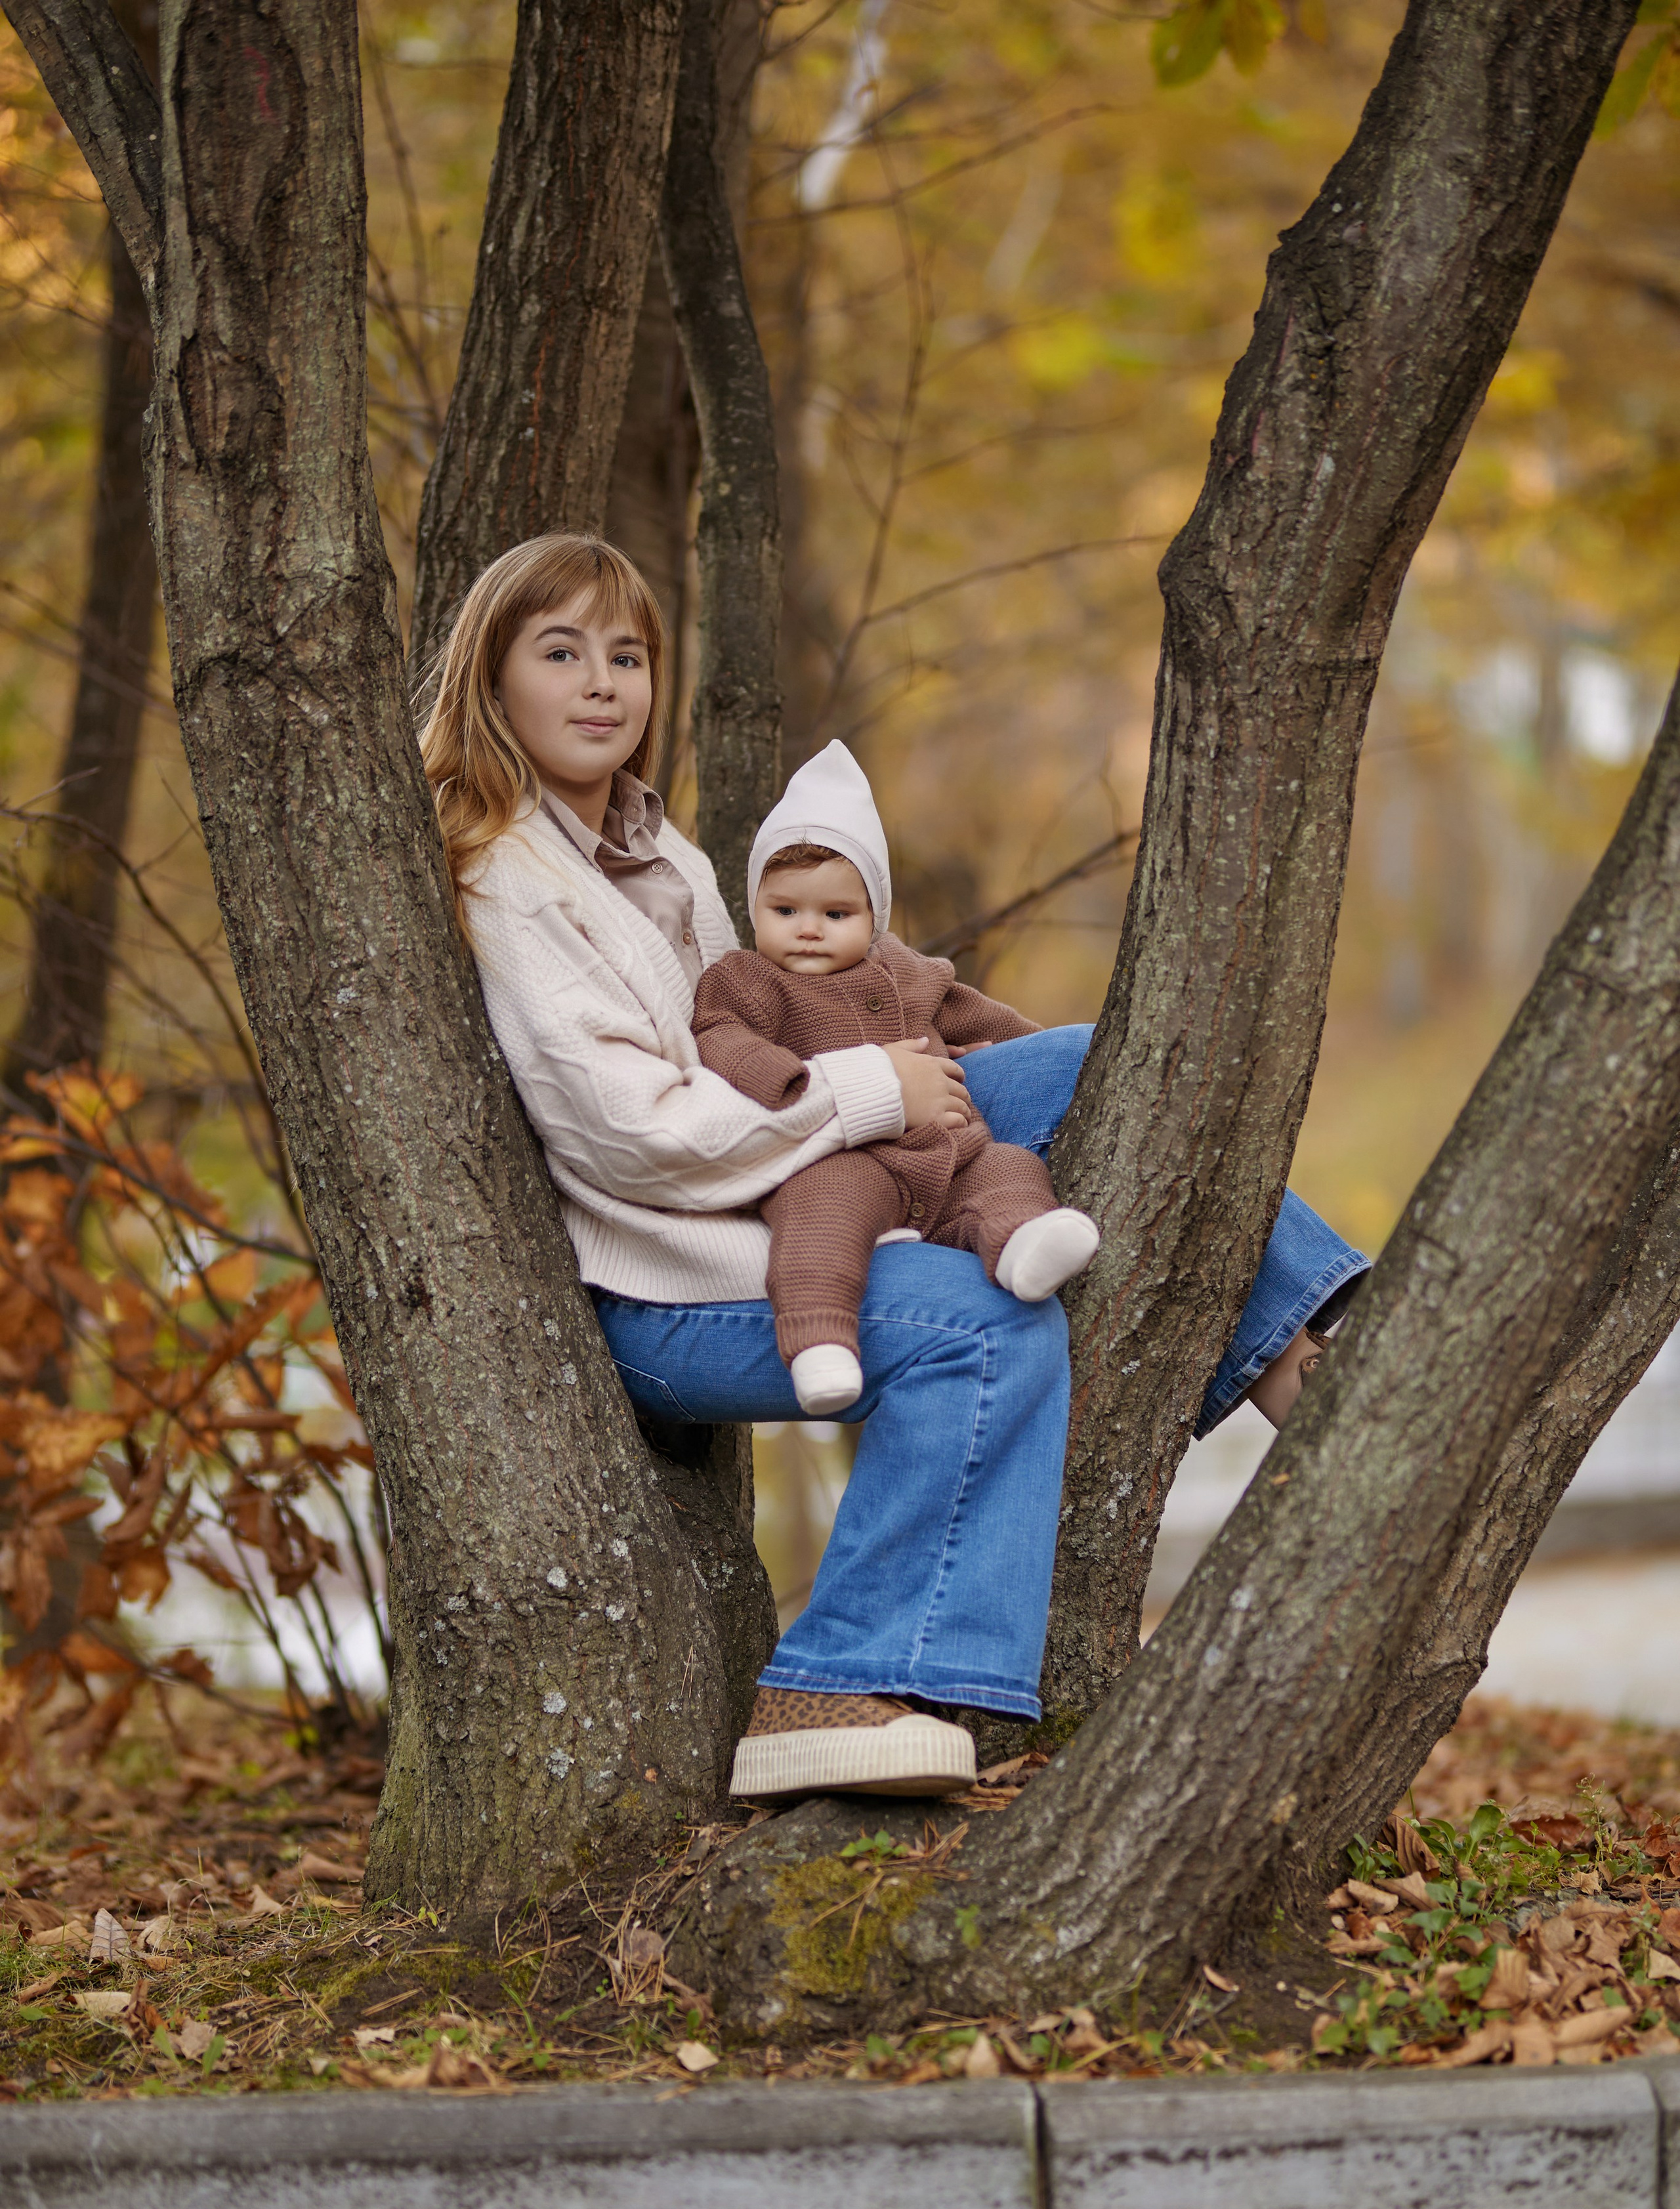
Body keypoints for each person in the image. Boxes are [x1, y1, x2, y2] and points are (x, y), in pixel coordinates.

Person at [422, 532, 1369, 1809]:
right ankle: (828, 1677)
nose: (602, 682)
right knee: (985, 1329)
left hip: (782, 1191)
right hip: (674, 1280)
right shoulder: (510, 881)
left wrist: (907, 1031)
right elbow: (629, 1132)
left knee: (1105, 1069)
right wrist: (878, 1094)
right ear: (492, 679)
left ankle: (1303, 1344)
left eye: (626, 654)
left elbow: (797, 1012)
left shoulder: (669, 859)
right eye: (560, 652)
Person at [691, 740, 1099, 1418]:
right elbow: (720, 1038)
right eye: (785, 911)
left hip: (948, 1151)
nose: (808, 931)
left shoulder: (910, 972)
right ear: (756, 907)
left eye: (835, 914)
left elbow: (986, 1020)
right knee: (818, 1220)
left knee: (1005, 1172)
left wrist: (1049, 1051)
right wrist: (786, 1078)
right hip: (841, 1155)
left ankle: (1024, 1245)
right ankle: (820, 1340)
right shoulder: (747, 979)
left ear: (874, 916)